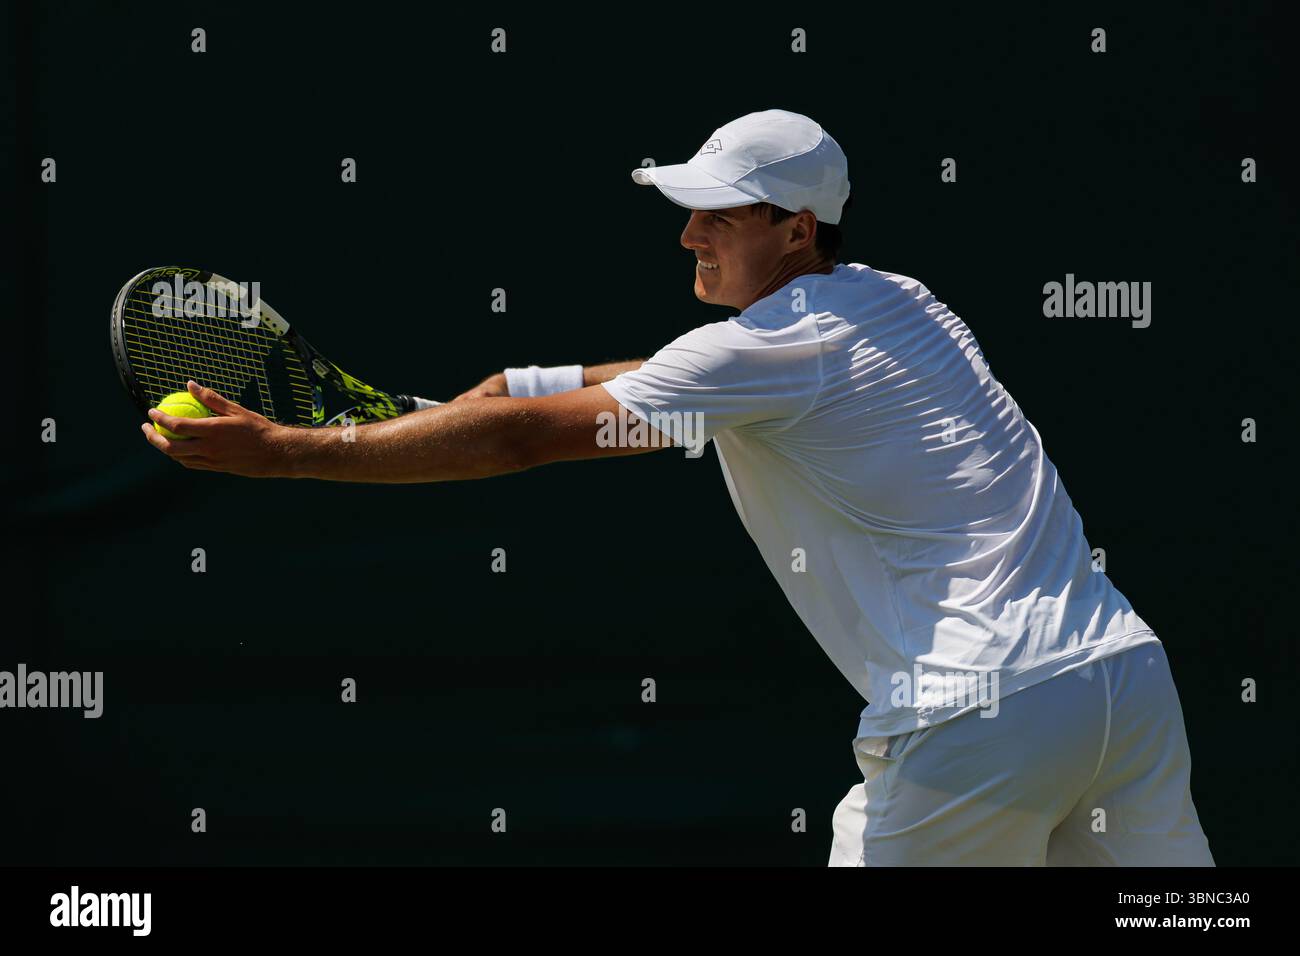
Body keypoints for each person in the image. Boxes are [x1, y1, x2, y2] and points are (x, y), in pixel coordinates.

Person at [141, 109, 1215, 866]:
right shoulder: (901, 300)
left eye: (721, 214)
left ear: (796, 229)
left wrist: (288, 451)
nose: (690, 232)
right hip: (1118, 682)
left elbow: (523, 443)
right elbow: (642, 379)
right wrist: (521, 380)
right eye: (688, 208)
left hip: (977, 710)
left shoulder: (754, 357)